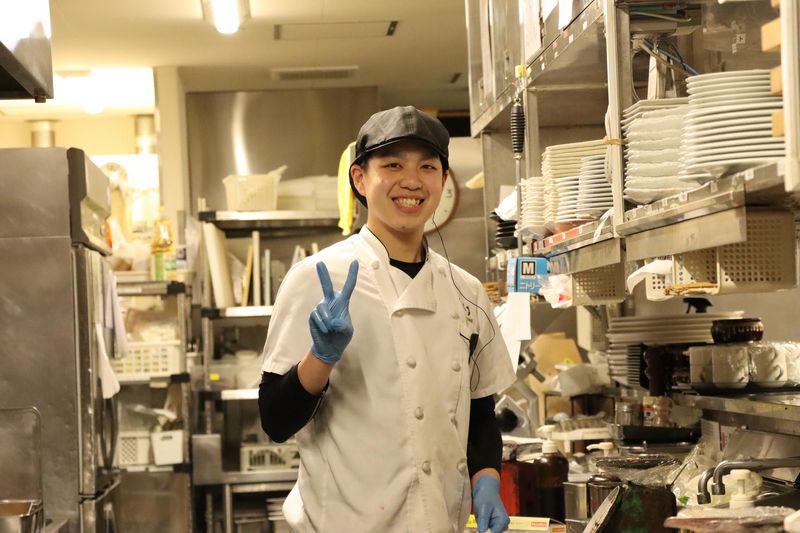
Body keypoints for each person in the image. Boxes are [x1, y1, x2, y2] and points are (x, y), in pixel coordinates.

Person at [259, 106, 515, 533]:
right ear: (360, 179)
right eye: (393, 165)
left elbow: (480, 410)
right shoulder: (317, 279)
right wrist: (320, 358)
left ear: (442, 181)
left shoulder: (466, 291)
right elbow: (275, 420)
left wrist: (486, 479)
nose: (411, 181)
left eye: (427, 167)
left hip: (441, 522)